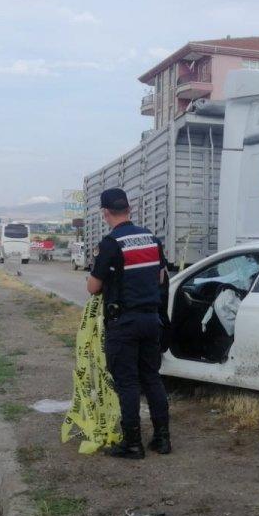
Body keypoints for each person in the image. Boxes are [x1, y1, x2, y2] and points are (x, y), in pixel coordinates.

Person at [86, 188, 172, 459]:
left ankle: (132, 443)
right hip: (151, 320)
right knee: (152, 378)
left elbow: (93, 287)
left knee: (127, 383)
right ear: (129, 209)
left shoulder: (110, 244)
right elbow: (161, 278)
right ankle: (162, 439)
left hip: (124, 322)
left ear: (105, 213)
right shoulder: (151, 239)